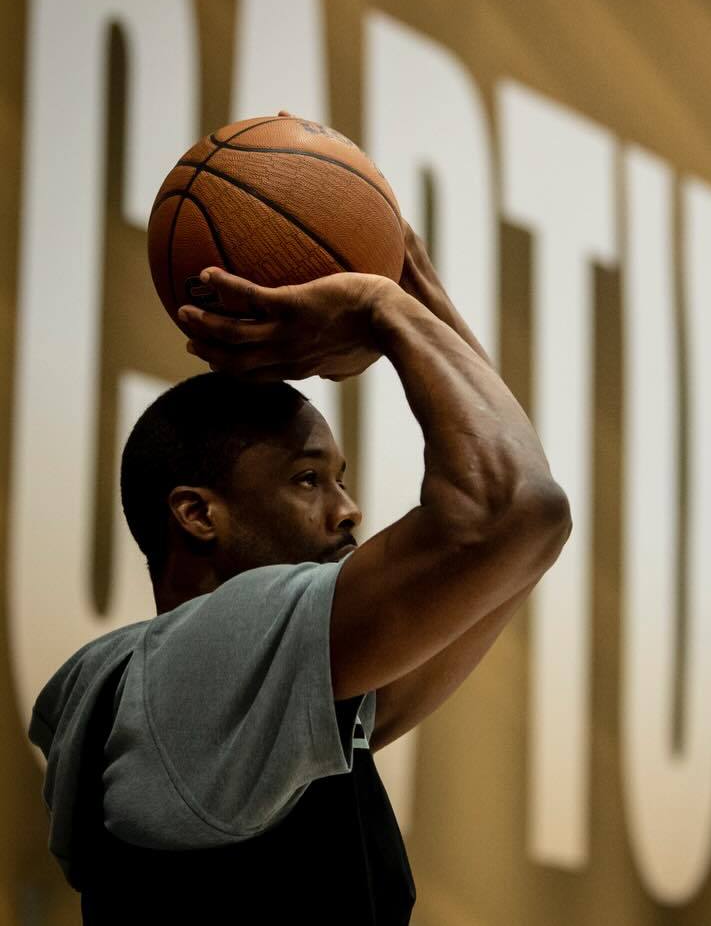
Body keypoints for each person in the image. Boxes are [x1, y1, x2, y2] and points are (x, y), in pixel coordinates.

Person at [30, 222, 568, 924]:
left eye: (341, 480)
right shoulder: (205, 658)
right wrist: (382, 308)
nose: (348, 511)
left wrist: (418, 302)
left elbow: (520, 545)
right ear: (198, 514)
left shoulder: (216, 700)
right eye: (309, 479)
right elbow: (515, 509)